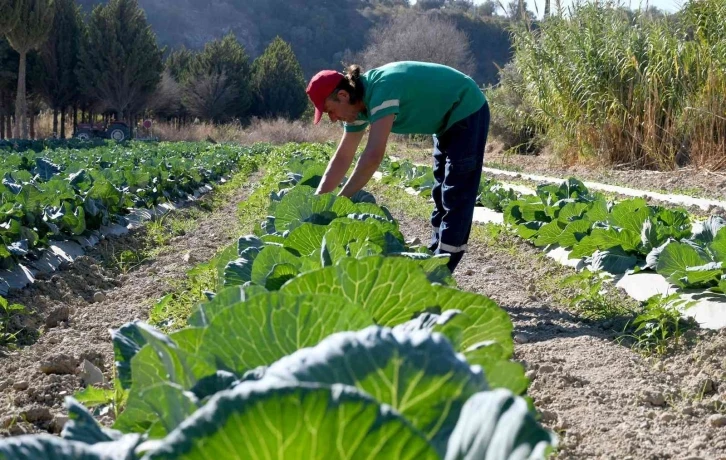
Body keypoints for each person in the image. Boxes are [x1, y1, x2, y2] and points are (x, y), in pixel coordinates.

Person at [305, 61, 489, 272]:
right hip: (444, 122)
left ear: (343, 96)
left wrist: (340, 202)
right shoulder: (357, 108)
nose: (332, 118)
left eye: (330, 110)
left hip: (466, 108)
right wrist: (319, 203)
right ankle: (434, 259)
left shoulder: (381, 90)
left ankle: (443, 269)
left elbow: (373, 156)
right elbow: (343, 157)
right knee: (440, 193)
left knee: (456, 193)